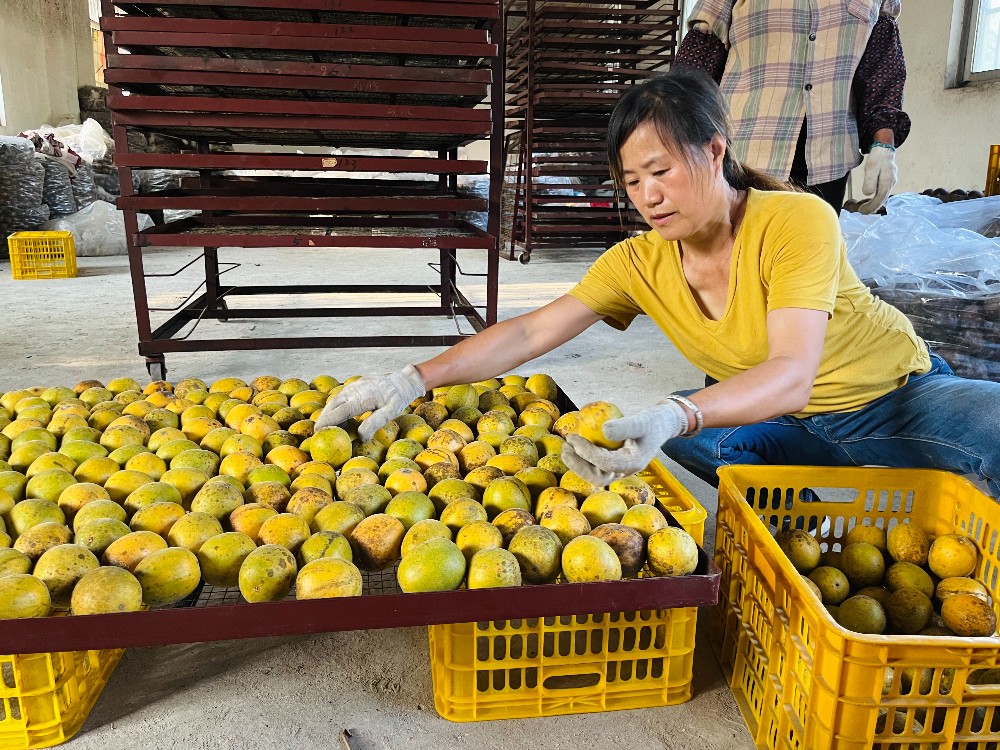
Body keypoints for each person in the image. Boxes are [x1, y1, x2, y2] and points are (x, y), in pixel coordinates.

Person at [315, 69, 1000, 498]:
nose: (648, 195)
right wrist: (412, 379)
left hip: (891, 399)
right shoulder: (639, 262)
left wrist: (681, 408)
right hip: (775, 425)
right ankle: (801, 516)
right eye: (632, 181)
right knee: (660, 441)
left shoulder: (794, 220)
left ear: (714, 150)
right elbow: (528, 331)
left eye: (660, 170)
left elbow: (793, 372)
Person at [673, 0, 909, 215]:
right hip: (744, 156)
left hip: (829, 161)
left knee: (811, 254)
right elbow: (697, 63)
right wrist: (679, 144)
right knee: (744, 254)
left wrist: (883, 147)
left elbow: (882, 71)